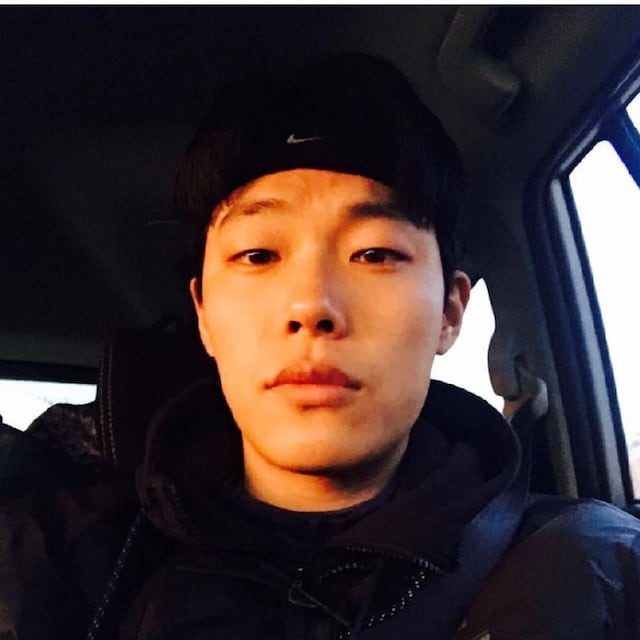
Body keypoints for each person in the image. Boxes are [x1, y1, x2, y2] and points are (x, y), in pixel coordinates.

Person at [1, 53, 639, 640]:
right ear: (204, 316)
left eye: (375, 254)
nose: (311, 306)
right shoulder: (55, 562)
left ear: (450, 313)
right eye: (258, 255)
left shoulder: (588, 573)